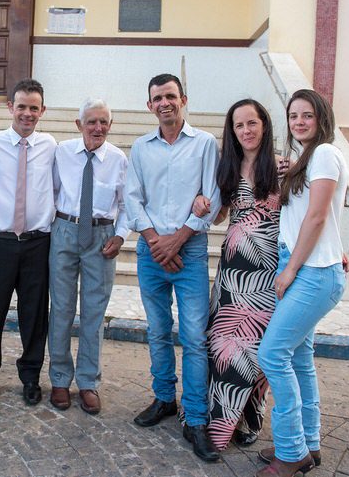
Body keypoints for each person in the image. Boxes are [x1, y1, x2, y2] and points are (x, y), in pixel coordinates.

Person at [124, 73, 222, 463]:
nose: (164, 103)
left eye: (170, 96)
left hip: (190, 251)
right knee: (158, 330)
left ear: (183, 99)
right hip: (151, 251)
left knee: (195, 337)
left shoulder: (205, 144)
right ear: (149, 106)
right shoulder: (140, 147)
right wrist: (156, 242)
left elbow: (212, 198)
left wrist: (177, 240)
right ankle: (164, 397)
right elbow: (133, 199)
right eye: (157, 98)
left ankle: (195, 419)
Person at [255, 89, 349, 477]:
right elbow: (315, 214)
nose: (299, 122)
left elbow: (317, 217)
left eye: (307, 115)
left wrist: (290, 269)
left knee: (272, 354)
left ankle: (292, 451)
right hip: (313, 265)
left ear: (321, 118)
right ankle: (309, 442)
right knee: (299, 358)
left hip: (311, 271)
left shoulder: (324, 153)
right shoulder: (309, 159)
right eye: (293, 116)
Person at [192, 99, 282, 451]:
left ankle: (250, 419)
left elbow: (309, 214)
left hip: (267, 272)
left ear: (264, 125)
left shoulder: (283, 167)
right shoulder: (228, 167)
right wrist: (202, 204)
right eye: (239, 125)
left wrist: (336, 249)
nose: (246, 130)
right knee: (224, 346)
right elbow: (218, 215)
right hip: (233, 274)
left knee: (256, 348)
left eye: (252, 123)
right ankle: (220, 422)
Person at [0, 78, 57, 406]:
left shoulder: (50, 146)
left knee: (34, 313)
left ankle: (31, 375)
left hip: (38, 242)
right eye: (21, 106)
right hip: (0, 243)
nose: (27, 113)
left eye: (33, 108)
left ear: (42, 110)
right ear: (10, 107)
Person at [47, 98, 128, 415]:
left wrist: (120, 236)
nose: (98, 127)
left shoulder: (118, 158)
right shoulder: (62, 152)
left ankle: (88, 382)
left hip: (102, 237)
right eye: (92, 121)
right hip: (66, 230)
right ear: (79, 124)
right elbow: (52, 190)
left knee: (94, 313)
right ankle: (59, 378)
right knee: (61, 308)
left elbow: (127, 204)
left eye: (104, 122)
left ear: (111, 124)